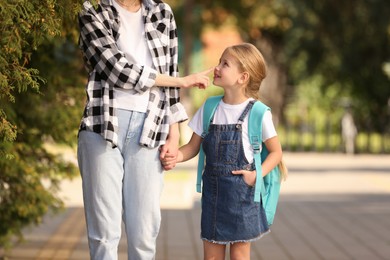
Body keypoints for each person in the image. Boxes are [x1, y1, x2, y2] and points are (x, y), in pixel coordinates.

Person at [77, 0, 211, 259]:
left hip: (151, 127)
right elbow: (115, 69)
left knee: (144, 233)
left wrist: (175, 133)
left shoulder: (162, 12)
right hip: (102, 125)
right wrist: (181, 81)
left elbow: (170, 69)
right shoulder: (92, 9)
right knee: (104, 234)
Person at [162, 43, 287, 260]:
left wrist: (256, 176)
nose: (217, 68)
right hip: (213, 195)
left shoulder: (258, 113)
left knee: (239, 255)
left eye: (225, 64)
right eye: (219, 61)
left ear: (243, 77)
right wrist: (175, 156)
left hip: (243, 195)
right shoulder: (210, 107)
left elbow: (276, 153)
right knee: (211, 256)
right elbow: (192, 147)